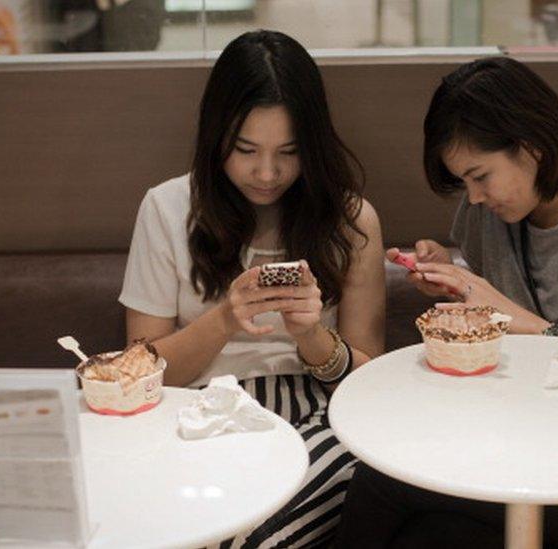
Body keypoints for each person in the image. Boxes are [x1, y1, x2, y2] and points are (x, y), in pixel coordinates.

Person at [334, 56, 558, 547]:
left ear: (533, 146)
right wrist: (455, 279)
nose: (474, 197)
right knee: (433, 531)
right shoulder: (492, 210)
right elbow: (492, 302)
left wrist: (515, 318)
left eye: (481, 176)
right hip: (521, 435)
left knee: (384, 488)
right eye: (464, 182)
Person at [119, 30, 385, 548]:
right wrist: (223, 320)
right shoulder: (167, 208)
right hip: (195, 414)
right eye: (246, 150)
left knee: (248, 535)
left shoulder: (352, 221)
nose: (268, 173)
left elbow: (370, 383)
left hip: (318, 414)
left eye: (290, 152)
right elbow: (137, 374)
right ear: (216, 137)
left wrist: (310, 336)